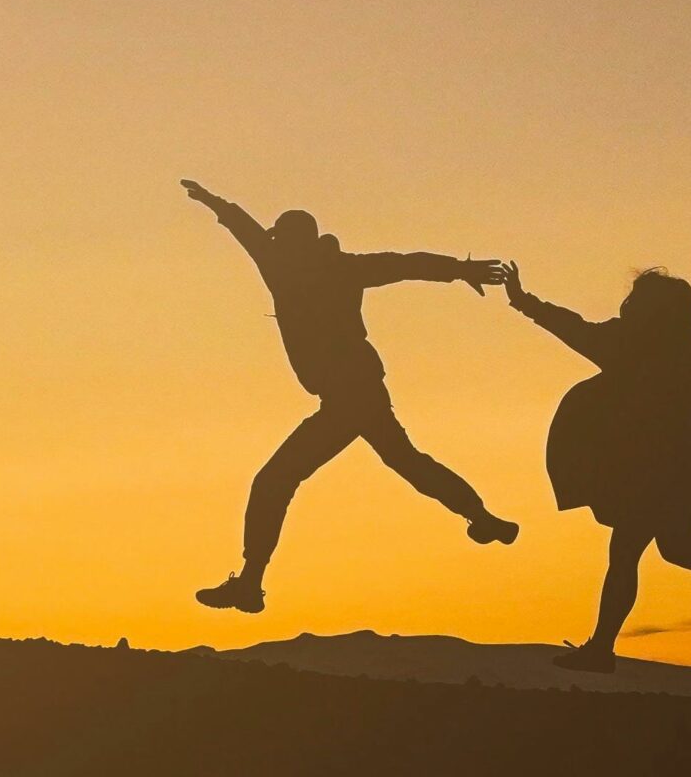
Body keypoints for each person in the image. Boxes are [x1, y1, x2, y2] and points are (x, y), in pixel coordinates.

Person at [180, 180, 512, 614]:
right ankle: (482, 518)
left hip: (346, 398)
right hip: (361, 393)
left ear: (291, 242)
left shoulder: (287, 266)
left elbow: (249, 230)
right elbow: (403, 264)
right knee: (406, 461)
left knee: (274, 482)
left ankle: (250, 583)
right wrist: (460, 270)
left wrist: (213, 202)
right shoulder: (329, 266)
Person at [501, 261, 691, 672]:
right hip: (677, 463)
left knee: (629, 551)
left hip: (658, 467)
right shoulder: (678, 349)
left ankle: (601, 650)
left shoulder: (640, 344)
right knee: (677, 545)